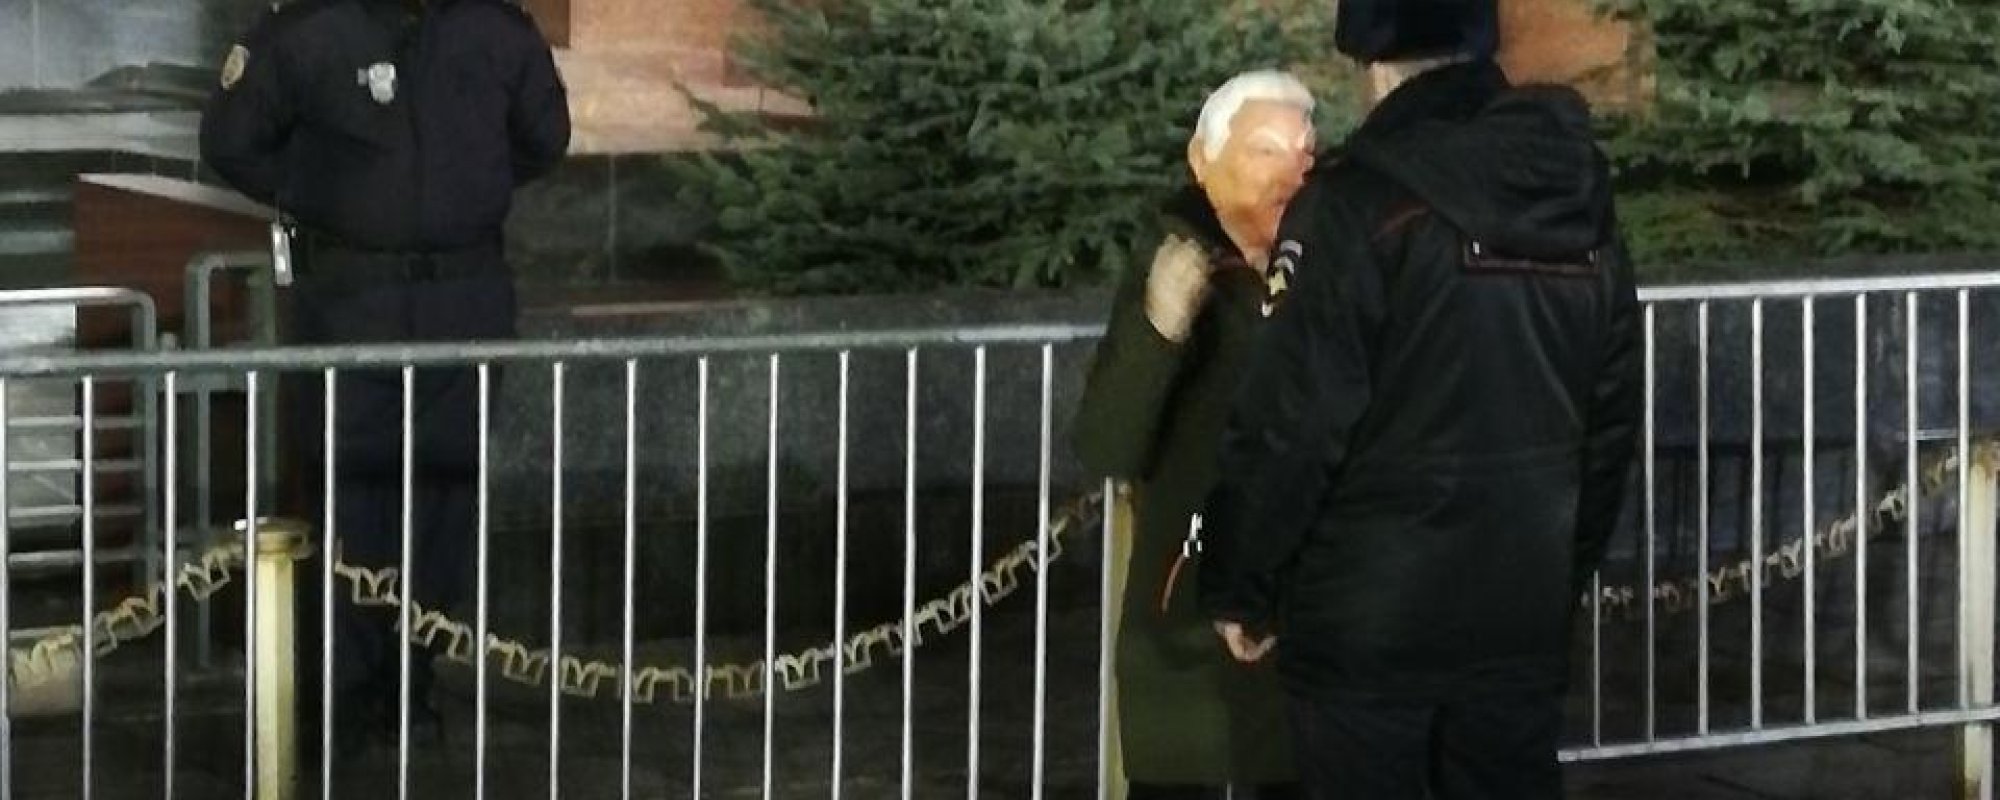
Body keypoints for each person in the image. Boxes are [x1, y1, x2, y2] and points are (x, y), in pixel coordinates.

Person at [1196, 2, 1642, 798]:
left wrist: (1241, 584)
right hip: (1517, 616)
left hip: (1366, 627)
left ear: (1372, 66)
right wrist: (1558, 574)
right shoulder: (1578, 201)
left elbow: (1292, 421)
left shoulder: (1355, 204)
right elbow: (1608, 427)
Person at [200, 0, 570, 759]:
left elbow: (544, 138)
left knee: (443, 502)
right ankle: (343, 694)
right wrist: (329, 196)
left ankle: (410, 685)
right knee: (352, 499)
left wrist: (457, 192)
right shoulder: (310, 30)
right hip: (352, 301)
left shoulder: (493, 28)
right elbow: (232, 143)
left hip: (462, 298)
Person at [1073, 70, 1317, 800]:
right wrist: (1160, 328)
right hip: (1187, 606)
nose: (1292, 174)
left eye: (1305, 153)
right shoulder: (1174, 267)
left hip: (1307, 608)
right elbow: (1106, 442)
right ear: (1202, 161)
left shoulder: (1324, 266)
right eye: (1265, 151)